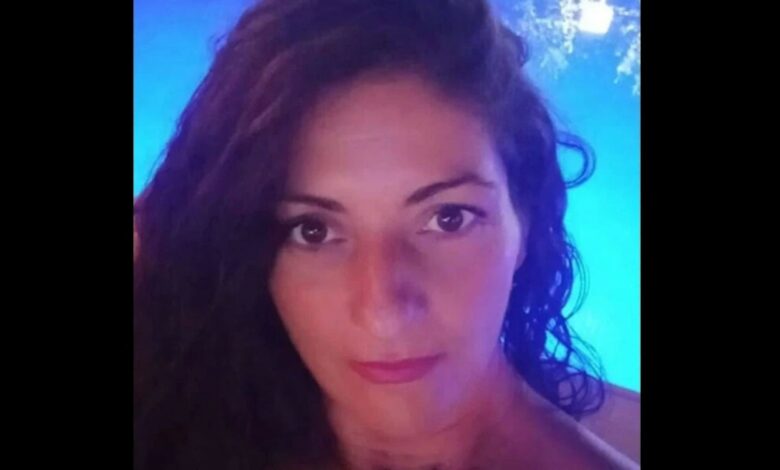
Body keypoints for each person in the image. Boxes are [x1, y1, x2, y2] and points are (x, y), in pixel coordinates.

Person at [133, 0, 639, 468]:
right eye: (313, 230)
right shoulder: (184, 387)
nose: (383, 314)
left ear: (522, 224)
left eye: (449, 218)